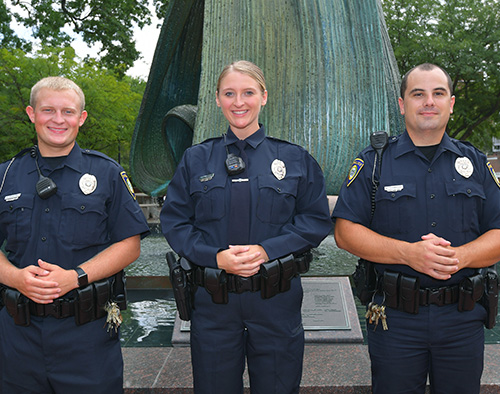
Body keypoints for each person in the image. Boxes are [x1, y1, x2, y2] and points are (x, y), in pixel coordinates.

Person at [161, 60, 332, 394]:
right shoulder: (196, 159)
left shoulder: (295, 159)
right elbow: (175, 223)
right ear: (217, 99)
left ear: (263, 97)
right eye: (229, 93)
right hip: (214, 302)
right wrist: (215, 257)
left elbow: (315, 221)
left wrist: (269, 250)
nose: (239, 102)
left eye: (248, 92)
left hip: (276, 300)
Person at [332, 63, 500, 394]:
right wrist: (409, 254)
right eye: (418, 94)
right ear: (402, 104)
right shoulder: (375, 163)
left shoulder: (477, 164)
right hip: (395, 319)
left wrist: (461, 257)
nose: (428, 102)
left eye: (438, 94)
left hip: (462, 318)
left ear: (451, 103)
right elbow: (345, 231)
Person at [0, 77, 150, 394]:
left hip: (87, 336)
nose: (58, 120)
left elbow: (130, 245)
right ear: (31, 113)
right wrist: (15, 277)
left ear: (81, 118)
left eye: (67, 111)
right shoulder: (5, 176)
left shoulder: (106, 173)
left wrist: (75, 276)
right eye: (48, 110)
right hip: (16, 337)